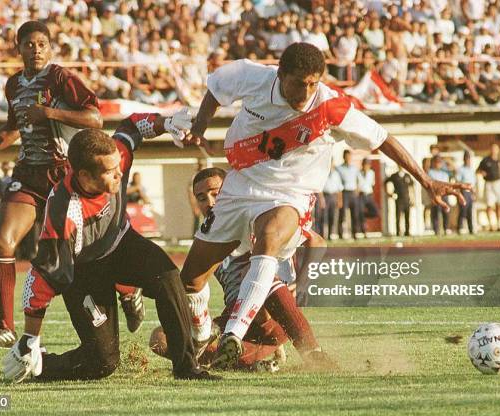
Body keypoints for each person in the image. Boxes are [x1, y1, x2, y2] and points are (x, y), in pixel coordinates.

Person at [179, 42, 469, 368]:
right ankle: (203, 334)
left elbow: (383, 138)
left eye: (313, 83)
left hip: (290, 193)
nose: (306, 91)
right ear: (280, 75)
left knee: (270, 237)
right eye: (299, 82)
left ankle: (234, 332)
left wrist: (426, 181)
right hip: (239, 186)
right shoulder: (251, 77)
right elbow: (216, 89)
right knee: (190, 279)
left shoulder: (331, 106)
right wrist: (200, 125)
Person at [3, 111, 218, 382]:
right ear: (84, 176)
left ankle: (186, 367)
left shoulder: (116, 155)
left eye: (119, 166)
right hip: (84, 271)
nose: (120, 174)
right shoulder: (63, 214)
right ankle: (41, 365)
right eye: (109, 172)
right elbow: (42, 277)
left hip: (120, 242)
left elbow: (132, 126)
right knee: (103, 363)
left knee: (168, 277)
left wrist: (166, 123)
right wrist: (30, 338)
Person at [0, 21, 103, 348]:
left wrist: (48, 112)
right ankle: (5, 327)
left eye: (42, 44)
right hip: (28, 174)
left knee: (83, 251)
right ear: (18, 47)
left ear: (50, 46)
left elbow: (94, 119)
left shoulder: (61, 78)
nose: (36, 49)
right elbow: (11, 130)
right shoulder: (13, 84)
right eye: (29, 44)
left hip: (63, 175)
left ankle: (127, 293)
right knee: (3, 241)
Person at [151, 167, 329, 371]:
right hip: (234, 319)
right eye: (201, 197)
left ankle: (312, 352)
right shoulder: (208, 239)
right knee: (160, 339)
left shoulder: (255, 219)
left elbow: (317, 242)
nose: (209, 202)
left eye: (216, 194)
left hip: (271, 314)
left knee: (259, 276)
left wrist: (302, 282)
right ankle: (250, 360)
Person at [477, 143, 500, 232]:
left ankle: (499, 225)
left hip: (498, 183)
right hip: (489, 183)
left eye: (496, 148)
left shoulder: (499, 161)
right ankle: (491, 225)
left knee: (499, 204)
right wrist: (482, 173)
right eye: (492, 148)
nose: (494, 150)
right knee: (489, 204)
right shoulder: (485, 160)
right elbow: (478, 170)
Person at [336, 150, 361, 240]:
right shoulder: (339, 168)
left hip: (353, 193)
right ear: (344, 157)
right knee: (342, 214)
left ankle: (355, 233)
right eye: (347, 156)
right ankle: (340, 234)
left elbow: (358, 180)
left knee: (355, 214)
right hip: (344, 193)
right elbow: (337, 181)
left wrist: (357, 190)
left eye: (349, 156)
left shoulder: (355, 168)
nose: (348, 158)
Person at [385, 168, 414, 237]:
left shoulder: (407, 175)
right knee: (398, 216)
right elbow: (385, 182)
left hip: (407, 199)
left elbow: (411, 187)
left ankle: (407, 232)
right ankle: (398, 232)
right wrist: (389, 194)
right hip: (399, 199)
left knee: (407, 217)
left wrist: (412, 198)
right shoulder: (394, 176)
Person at [428, 156, 451, 235]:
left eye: (439, 162)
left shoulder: (444, 173)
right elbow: (431, 185)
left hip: (444, 194)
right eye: (437, 162)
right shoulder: (430, 172)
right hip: (435, 194)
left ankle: (446, 228)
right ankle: (436, 230)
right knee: (436, 212)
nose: (438, 164)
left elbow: (446, 184)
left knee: (446, 211)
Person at [456, 151, 477, 234]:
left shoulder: (471, 169)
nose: (468, 160)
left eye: (469, 159)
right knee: (463, 210)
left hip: (470, 191)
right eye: (466, 159)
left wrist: (474, 193)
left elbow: (474, 182)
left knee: (470, 211)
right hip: (463, 191)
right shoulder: (461, 169)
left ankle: (471, 229)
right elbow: (458, 181)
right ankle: (460, 227)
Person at [358, 158, 379, 236]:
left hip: (369, 194)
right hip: (361, 195)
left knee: (376, 212)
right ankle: (364, 231)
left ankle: (363, 214)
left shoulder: (371, 173)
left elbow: (372, 184)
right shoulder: (358, 173)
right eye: (364, 164)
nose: (366, 166)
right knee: (360, 212)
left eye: (367, 165)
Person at [321, 164, 343, 240]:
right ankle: (322, 235)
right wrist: (321, 199)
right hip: (325, 196)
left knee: (332, 217)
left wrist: (339, 200)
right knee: (323, 217)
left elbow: (339, 188)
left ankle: (330, 235)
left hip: (334, 196)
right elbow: (320, 188)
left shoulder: (336, 174)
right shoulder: (323, 173)